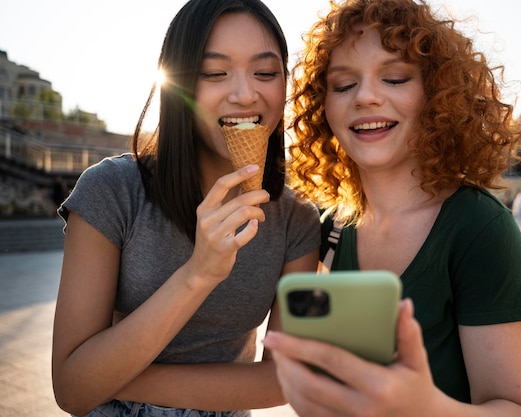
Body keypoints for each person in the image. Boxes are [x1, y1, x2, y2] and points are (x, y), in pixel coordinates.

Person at [263, 0, 521, 416]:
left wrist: (423, 406)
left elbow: (519, 409)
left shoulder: (480, 228)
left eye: (395, 78)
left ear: (438, 96)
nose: (365, 97)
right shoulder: (327, 230)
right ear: (322, 109)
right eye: (343, 85)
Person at [51, 1, 321, 416]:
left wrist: (113, 377)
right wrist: (199, 274)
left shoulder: (296, 219)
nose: (245, 93)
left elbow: (285, 379)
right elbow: (71, 392)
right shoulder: (113, 190)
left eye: (265, 73)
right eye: (214, 73)